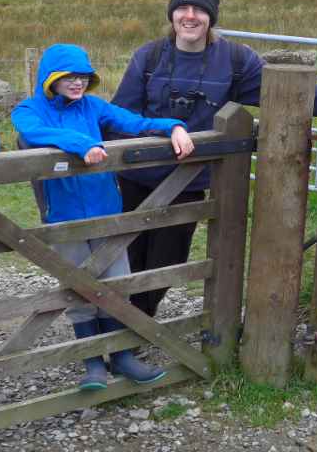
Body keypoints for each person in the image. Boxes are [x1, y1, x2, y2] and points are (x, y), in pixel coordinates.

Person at [111, 0, 317, 318]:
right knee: (125, 256)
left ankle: (135, 323)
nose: (190, 16)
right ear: (171, 14)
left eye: (199, 10)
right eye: (182, 9)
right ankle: (122, 328)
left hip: (186, 182)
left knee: (167, 261)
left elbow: (293, 92)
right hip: (137, 177)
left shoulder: (233, 60)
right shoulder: (149, 57)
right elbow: (119, 113)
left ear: (211, 17)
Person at [12, 43, 194, 391]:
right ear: (50, 78)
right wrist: (81, 144)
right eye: (69, 77)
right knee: (79, 286)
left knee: (116, 284)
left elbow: (133, 122)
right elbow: (33, 133)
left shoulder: (93, 106)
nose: (78, 84)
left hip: (107, 210)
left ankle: (121, 357)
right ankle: (92, 364)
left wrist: (174, 126)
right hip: (64, 215)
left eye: (83, 77)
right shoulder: (28, 109)